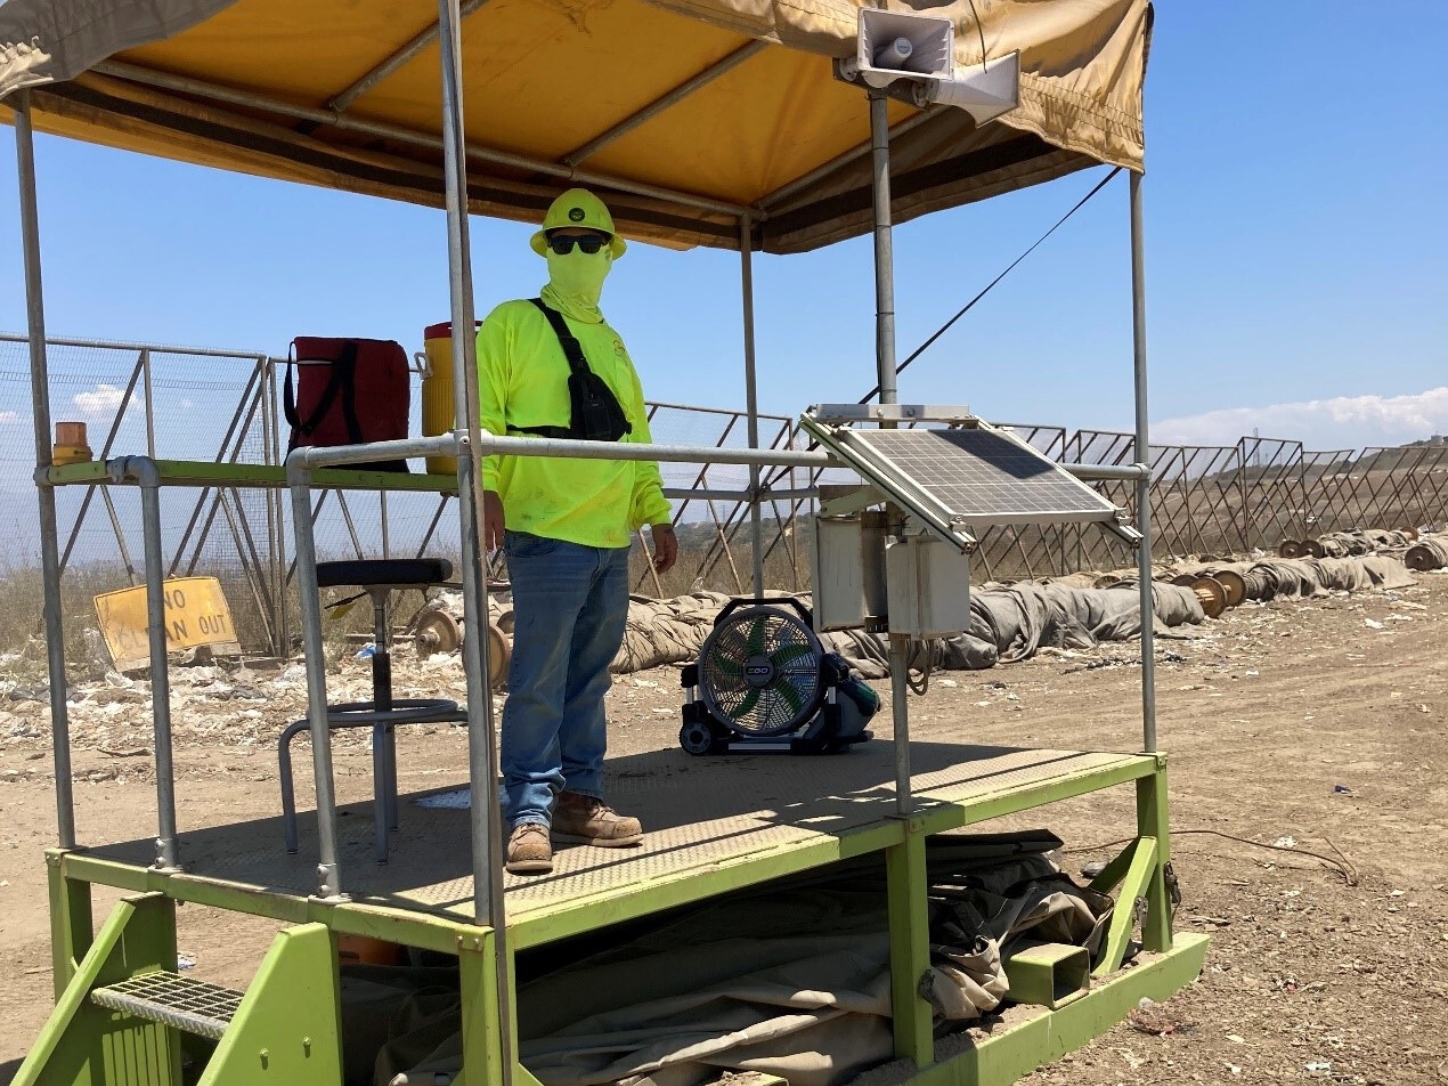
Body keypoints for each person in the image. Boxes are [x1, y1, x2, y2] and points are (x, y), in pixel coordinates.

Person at [477, 188, 677, 875]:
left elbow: (637, 433)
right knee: (539, 676)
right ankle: (529, 813)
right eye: (564, 243)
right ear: (546, 250)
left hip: (608, 536)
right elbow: (487, 414)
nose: (579, 254)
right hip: (545, 529)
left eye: (591, 244)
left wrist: (655, 511)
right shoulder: (509, 323)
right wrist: (486, 487)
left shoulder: (613, 342)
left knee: (589, 677)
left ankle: (580, 798)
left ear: (611, 255)